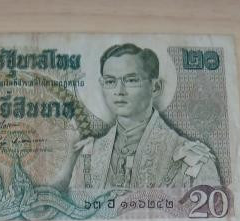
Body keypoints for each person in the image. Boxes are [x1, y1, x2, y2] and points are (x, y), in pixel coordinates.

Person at [68, 43, 221, 191]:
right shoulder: (88, 156)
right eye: (110, 81)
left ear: (155, 87)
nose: (119, 91)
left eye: (131, 80)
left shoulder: (194, 160)